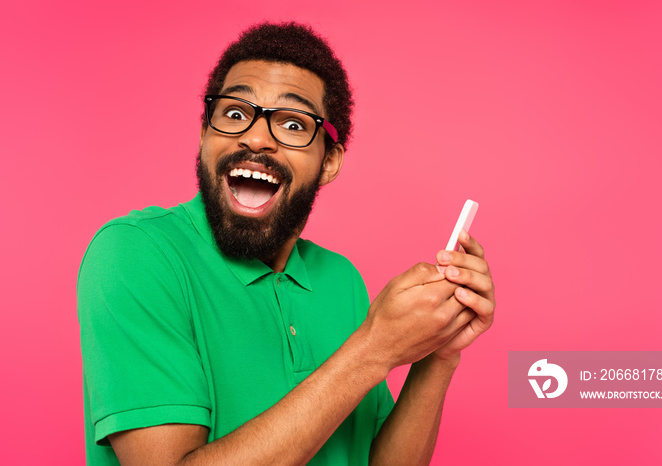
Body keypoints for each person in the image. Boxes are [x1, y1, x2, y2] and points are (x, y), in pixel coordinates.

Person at [78, 22, 495, 465]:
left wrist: (439, 353)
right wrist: (373, 349)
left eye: (293, 124)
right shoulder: (137, 255)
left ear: (329, 161)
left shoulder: (340, 280)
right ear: (204, 134)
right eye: (235, 113)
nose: (256, 138)